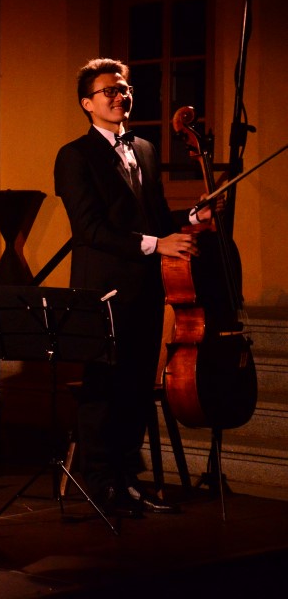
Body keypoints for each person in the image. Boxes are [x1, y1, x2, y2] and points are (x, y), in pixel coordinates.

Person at [54, 58, 212, 517]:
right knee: (103, 390)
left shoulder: (143, 148)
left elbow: (155, 217)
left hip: (146, 288)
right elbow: (89, 229)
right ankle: (101, 484)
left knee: (137, 389)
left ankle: (127, 479)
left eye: (124, 89)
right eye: (109, 90)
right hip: (102, 292)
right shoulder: (74, 155)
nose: (120, 96)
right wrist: (158, 244)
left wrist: (192, 218)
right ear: (87, 103)